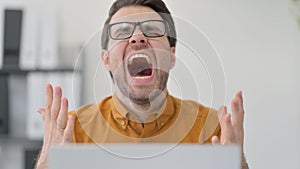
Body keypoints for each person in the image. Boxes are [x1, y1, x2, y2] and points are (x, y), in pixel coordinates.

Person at [35, 0, 249, 168]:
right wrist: (46, 164)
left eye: (152, 30)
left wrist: (238, 165)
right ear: (106, 59)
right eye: (121, 31)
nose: (137, 38)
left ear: (172, 56)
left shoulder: (213, 129)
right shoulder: (70, 132)